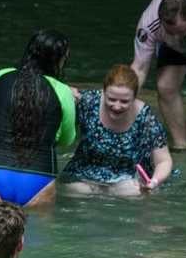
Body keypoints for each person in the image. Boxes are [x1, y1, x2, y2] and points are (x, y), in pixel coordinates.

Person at [0, 29, 77, 207]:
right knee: (38, 235)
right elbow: (67, 139)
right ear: (60, 60)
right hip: (39, 178)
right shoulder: (63, 91)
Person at [60, 64, 172, 197]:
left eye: (124, 101)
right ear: (103, 91)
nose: (117, 106)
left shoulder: (146, 117)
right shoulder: (88, 102)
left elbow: (164, 161)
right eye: (111, 99)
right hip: (84, 178)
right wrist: (65, 91)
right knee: (74, 190)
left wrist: (154, 182)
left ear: (135, 97)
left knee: (134, 193)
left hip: (126, 182)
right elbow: (52, 94)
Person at [130, 0, 186, 150]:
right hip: (173, 45)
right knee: (165, 86)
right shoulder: (149, 24)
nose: (177, 37)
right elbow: (139, 69)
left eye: (181, 32)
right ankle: (181, 145)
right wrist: (122, 102)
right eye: (172, 32)